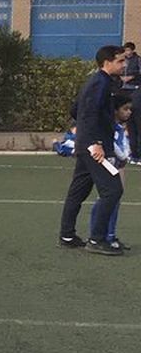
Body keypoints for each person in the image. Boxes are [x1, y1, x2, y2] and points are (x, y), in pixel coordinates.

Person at [58, 44, 127, 257]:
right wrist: (96, 142)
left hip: (86, 144)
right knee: (113, 190)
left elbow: (76, 110)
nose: (124, 65)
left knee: (77, 191)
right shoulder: (100, 83)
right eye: (120, 61)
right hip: (93, 147)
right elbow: (89, 113)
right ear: (107, 62)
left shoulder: (99, 82)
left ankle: (67, 236)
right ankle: (97, 239)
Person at [89, 92, 132, 251]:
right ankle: (101, 236)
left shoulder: (120, 127)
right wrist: (123, 156)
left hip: (119, 165)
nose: (129, 112)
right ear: (115, 110)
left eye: (130, 109)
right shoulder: (110, 127)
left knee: (114, 200)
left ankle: (109, 235)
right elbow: (113, 145)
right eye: (125, 109)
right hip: (110, 164)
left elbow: (125, 145)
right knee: (107, 199)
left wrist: (125, 156)